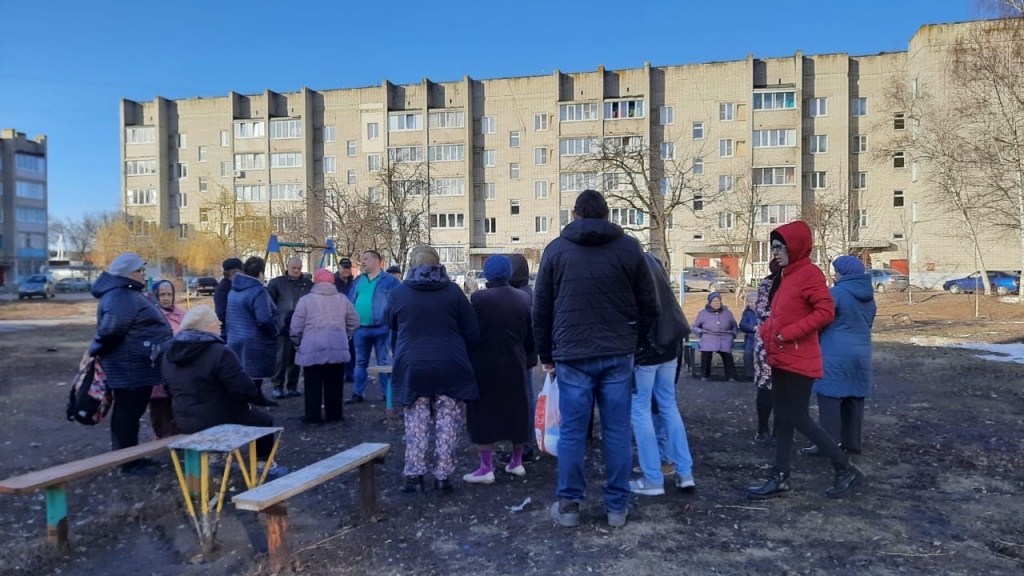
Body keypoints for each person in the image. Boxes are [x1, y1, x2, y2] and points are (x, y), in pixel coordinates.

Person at [534, 190, 658, 528]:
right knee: (617, 431)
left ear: (575, 214)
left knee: (573, 432)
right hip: (618, 351)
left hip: (572, 353)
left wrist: (546, 353)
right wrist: (638, 343)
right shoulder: (629, 248)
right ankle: (617, 508)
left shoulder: (557, 250)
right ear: (606, 214)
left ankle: (570, 504)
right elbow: (650, 304)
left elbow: (541, 307)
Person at [747, 221, 865, 500]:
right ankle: (780, 477)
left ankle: (845, 468)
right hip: (779, 355)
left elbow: (825, 312)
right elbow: (777, 314)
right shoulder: (786, 275)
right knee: (784, 418)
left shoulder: (810, 274)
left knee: (796, 416)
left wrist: (788, 334)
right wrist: (767, 332)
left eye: (780, 247)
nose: (775, 252)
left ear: (796, 246)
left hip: (799, 356)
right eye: (773, 247)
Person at [388, 246, 480, 493]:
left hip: (413, 364)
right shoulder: (453, 292)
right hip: (451, 363)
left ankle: (414, 476)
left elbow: (390, 322)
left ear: (412, 265)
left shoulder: (400, 293)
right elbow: (472, 331)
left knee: (416, 421)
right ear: (438, 263)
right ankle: (443, 477)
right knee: (448, 420)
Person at [161, 306, 281, 467]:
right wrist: (247, 401)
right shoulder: (219, 352)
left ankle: (216, 458)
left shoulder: (169, 353)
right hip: (217, 419)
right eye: (214, 320)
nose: (219, 323)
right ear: (203, 327)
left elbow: (168, 389)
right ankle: (263, 464)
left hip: (182, 420)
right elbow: (244, 390)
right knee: (265, 420)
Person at [88, 252, 173, 475]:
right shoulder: (120, 297)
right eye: (140, 271)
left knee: (131, 414)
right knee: (127, 414)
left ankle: (131, 458)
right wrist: (92, 352)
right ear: (128, 274)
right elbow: (111, 331)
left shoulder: (126, 294)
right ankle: (127, 463)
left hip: (135, 367)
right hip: (129, 369)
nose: (144, 274)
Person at [629, 254, 696, 496]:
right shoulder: (659, 277)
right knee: (669, 406)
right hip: (670, 348)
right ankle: (685, 472)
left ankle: (652, 477)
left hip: (646, 355)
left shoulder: (634, 279)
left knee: (640, 410)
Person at [463, 255, 534, 485]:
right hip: (515, 360)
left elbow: (472, 333)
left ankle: (486, 467)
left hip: (485, 362)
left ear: (487, 274)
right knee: (517, 409)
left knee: (483, 412)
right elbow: (529, 335)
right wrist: (528, 359)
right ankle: (516, 462)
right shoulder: (523, 298)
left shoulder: (478, 299)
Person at [804, 256, 877, 457]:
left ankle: (826, 445)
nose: (834, 274)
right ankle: (852, 444)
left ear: (843, 273)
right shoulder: (869, 297)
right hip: (861, 354)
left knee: (830, 401)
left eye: (836, 270)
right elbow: (868, 324)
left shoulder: (835, 294)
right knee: (854, 400)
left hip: (834, 354)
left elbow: (820, 322)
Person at [290, 269, 360, 424]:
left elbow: (296, 327)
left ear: (316, 281)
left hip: (312, 348)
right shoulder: (342, 299)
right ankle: (334, 415)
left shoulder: (306, 300)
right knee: (335, 384)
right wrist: (345, 335)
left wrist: (298, 343)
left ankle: (312, 416)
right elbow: (354, 321)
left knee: (312, 384)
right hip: (337, 346)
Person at [346, 250, 401, 404]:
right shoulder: (358, 281)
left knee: (383, 362)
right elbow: (350, 302)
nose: (363, 262)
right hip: (361, 329)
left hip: (382, 328)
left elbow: (398, 303)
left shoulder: (390, 281)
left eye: (366, 259)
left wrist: (391, 321)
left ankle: (387, 393)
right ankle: (358, 393)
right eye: (362, 259)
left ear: (377, 261)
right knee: (360, 362)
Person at [226, 256, 279, 406]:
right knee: (255, 374)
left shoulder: (234, 289)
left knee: (243, 372)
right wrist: (274, 332)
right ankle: (253, 400)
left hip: (236, 336)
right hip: (254, 339)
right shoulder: (258, 291)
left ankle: (254, 397)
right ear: (261, 273)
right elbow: (264, 318)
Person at [507, 253, 538, 463]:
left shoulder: (519, 296)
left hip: (519, 355)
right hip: (527, 355)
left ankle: (525, 447)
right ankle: (525, 445)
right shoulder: (529, 293)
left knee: (524, 400)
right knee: (526, 398)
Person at [267, 256, 313, 399]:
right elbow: (269, 303)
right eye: (293, 268)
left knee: (296, 359)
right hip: (282, 326)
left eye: (299, 268)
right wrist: (275, 321)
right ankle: (277, 386)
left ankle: (292, 386)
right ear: (288, 267)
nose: (296, 271)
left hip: (301, 327)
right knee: (281, 358)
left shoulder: (308, 284)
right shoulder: (277, 283)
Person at [149, 280, 186, 440]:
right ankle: (162, 439)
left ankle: (178, 437)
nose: (166, 298)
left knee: (178, 405)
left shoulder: (183, 315)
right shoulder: (150, 316)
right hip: (158, 367)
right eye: (162, 294)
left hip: (179, 367)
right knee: (160, 406)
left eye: (169, 294)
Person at [752, 261, 782, 446]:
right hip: (768, 342)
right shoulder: (767, 285)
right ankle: (762, 429)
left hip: (790, 342)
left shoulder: (796, 285)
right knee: (766, 385)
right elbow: (762, 311)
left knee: (785, 388)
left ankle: (781, 430)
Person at [692, 292, 739, 381]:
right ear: (710, 302)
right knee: (706, 353)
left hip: (725, 337)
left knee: (727, 354)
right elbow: (695, 327)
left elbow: (734, 325)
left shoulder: (727, 312)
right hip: (708, 336)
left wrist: (733, 334)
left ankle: (731, 376)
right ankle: (705, 375)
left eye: (718, 301)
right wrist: (701, 332)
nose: (716, 303)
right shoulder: (703, 313)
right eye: (714, 301)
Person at [333, 257, 357, 383]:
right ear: (339, 268)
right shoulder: (333, 282)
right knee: (338, 346)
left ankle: (350, 372)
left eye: (348, 267)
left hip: (349, 318)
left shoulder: (353, 282)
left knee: (351, 347)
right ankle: (339, 372)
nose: (346, 270)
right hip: (336, 317)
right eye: (344, 267)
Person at [214, 258, 243, 341]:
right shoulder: (224, 289)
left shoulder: (232, 285)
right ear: (234, 273)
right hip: (228, 332)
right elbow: (221, 313)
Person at [739, 292, 759, 381]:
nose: (752, 304)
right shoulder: (746, 313)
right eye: (750, 302)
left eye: (755, 301)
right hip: (750, 337)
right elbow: (742, 325)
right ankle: (749, 375)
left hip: (762, 337)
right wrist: (752, 327)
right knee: (748, 353)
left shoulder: (764, 312)